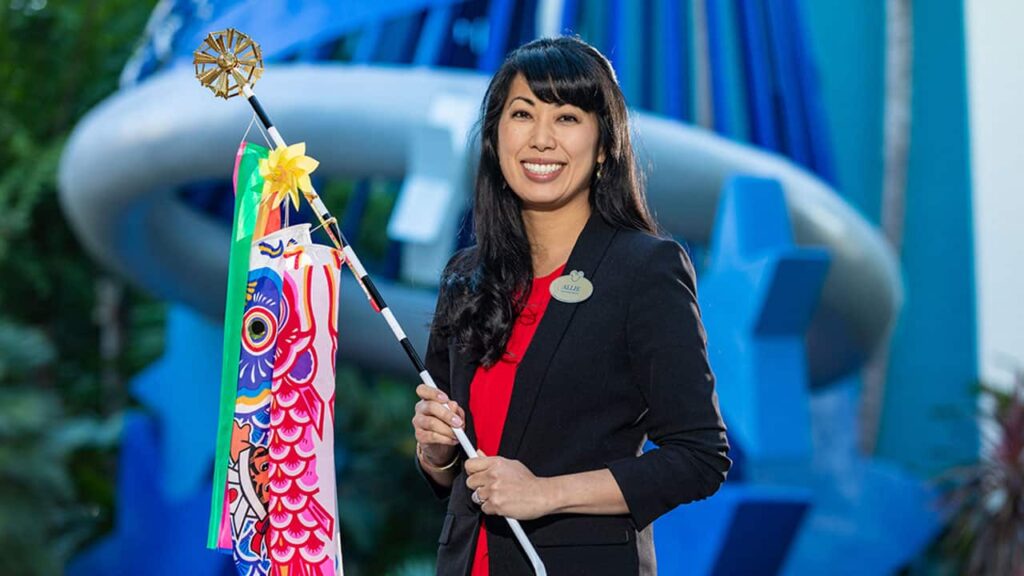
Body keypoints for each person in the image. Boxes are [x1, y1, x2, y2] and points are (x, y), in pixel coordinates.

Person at [410, 36, 730, 576]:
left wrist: (544, 494)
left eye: (567, 118)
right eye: (522, 113)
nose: (540, 139)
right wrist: (437, 454)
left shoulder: (645, 269)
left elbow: (700, 458)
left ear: (605, 143)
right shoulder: (467, 277)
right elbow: (459, 476)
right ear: (495, 135)